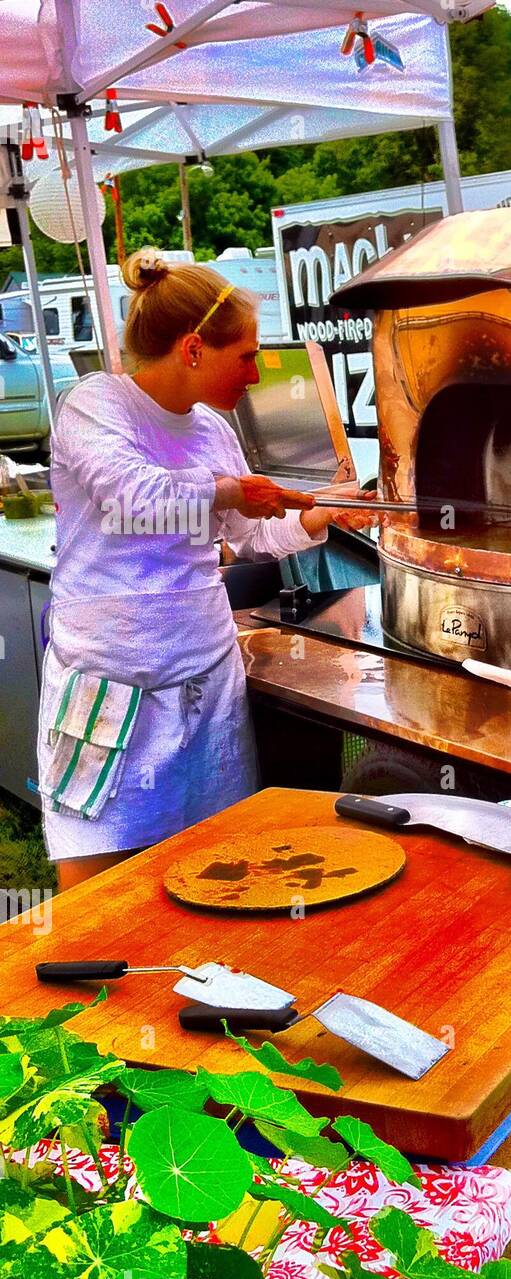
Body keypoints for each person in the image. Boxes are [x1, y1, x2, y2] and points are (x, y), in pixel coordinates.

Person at [38, 248, 380, 890]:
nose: (254, 374)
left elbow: (249, 540)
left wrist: (324, 517)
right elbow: (132, 499)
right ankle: (91, 983)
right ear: (194, 348)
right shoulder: (97, 405)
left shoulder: (215, 431)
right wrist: (230, 491)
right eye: (246, 356)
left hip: (204, 674)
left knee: (216, 867)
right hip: (114, 679)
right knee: (98, 879)